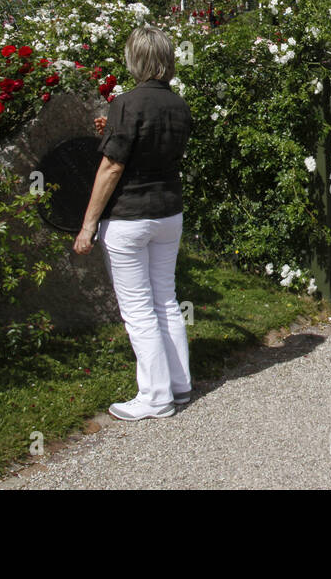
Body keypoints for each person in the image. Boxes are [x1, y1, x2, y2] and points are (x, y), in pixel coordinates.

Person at [74, 25, 194, 420]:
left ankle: (156, 398)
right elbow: (151, 143)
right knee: (166, 301)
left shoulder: (127, 102)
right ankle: (179, 384)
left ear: (136, 59)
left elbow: (112, 166)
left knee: (139, 310)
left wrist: (88, 224)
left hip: (129, 216)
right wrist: (110, 128)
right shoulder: (179, 104)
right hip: (168, 212)